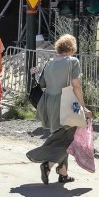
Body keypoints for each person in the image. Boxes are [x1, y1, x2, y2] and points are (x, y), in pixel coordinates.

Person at [26, 33, 92, 184]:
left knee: (62, 136)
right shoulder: (72, 61)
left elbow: (42, 83)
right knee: (68, 140)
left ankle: (63, 173)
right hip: (67, 104)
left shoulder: (49, 63)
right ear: (71, 48)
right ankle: (47, 163)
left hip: (50, 104)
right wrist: (83, 106)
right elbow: (76, 85)